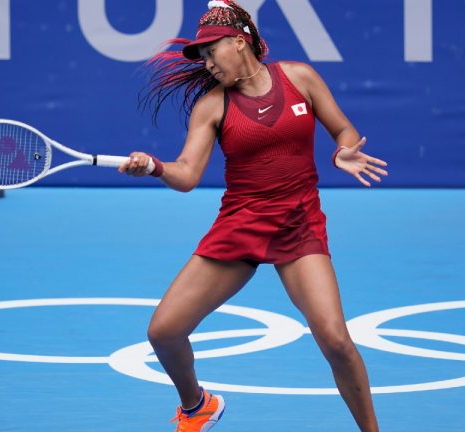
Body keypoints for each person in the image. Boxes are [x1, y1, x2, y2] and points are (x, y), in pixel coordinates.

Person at [119, 1, 387, 430]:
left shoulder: (299, 78)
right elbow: (187, 174)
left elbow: (343, 129)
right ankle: (197, 406)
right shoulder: (211, 106)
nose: (207, 63)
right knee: (163, 332)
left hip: (298, 225)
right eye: (201, 56)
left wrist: (342, 152)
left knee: (336, 340)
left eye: (211, 51)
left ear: (239, 41)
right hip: (241, 225)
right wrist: (154, 166)